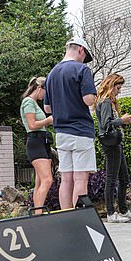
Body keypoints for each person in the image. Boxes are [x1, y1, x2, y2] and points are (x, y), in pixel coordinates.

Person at [44, 37, 97, 209]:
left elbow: (47, 108)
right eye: (85, 56)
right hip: (81, 131)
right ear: (81, 50)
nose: (84, 60)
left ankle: (65, 216)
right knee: (81, 178)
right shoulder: (82, 69)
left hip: (61, 133)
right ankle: (78, 219)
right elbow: (89, 100)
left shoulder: (51, 74)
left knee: (66, 179)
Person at [94, 73, 131, 223]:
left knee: (123, 178)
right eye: (118, 88)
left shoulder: (106, 101)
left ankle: (122, 210)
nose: (119, 91)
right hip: (112, 144)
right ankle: (111, 213)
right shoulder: (106, 102)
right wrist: (122, 120)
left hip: (115, 143)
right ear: (111, 85)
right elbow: (106, 125)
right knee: (112, 179)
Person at [20, 76, 54, 212]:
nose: (46, 95)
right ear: (39, 88)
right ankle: (38, 213)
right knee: (47, 179)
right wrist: (48, 120)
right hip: (35, 141)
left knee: (40, 181)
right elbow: (32, 125)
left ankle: (37, 212)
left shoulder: (34, 103)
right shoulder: (28, 102)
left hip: (42, 140)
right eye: (46, 91)